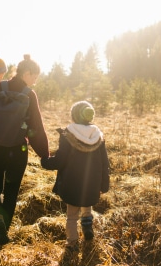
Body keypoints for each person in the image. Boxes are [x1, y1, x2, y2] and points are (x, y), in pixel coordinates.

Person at [0, 54, 49, 245]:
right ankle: (3, 232)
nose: (35, 81)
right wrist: (45, 154)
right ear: (26, 73)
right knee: (11, 192)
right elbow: (36, 128)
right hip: (18, 151)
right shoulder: (29, 95)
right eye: (34, 76)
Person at [41, 100, 110, 251]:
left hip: (71, 182)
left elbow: (61, 159)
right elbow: (105, 162)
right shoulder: (97, 135)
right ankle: (87, 230)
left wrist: (46, 162)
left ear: (74, 116)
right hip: (91, 183)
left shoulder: (68, 134)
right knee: (87, 208)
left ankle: (72, 243)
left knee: (71, 216)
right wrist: (104, 184)